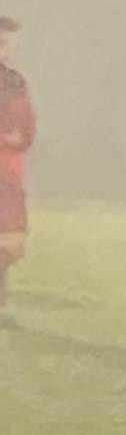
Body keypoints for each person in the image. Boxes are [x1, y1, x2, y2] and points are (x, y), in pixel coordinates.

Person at [0, 19, 31, 320]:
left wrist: (18, 139)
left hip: (9, 171)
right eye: (4, 44)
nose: (10, 51)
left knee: (10, 240)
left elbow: (27, 126)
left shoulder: (16, 83)